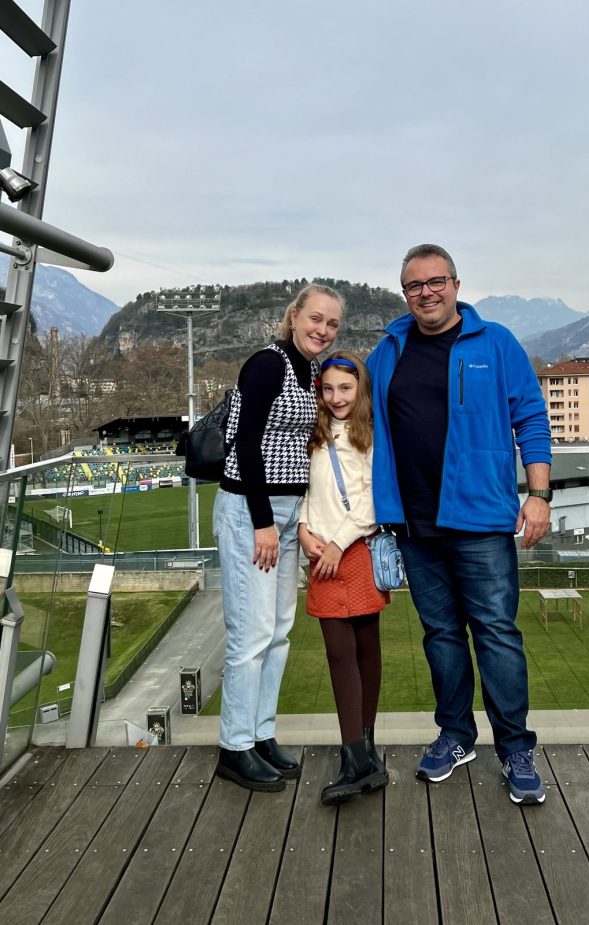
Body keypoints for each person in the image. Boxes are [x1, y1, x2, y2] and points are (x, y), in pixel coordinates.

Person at [366, 244, 552, 805]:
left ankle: (515, 747)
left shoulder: (496, 342)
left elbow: (531, 417)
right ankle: (456, 735)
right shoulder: (387, 350)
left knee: (496, 632)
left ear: (455, 284)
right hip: (414, 523)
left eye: (436, 281)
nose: (426, 292)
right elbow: (347, 409)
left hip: (481, 521)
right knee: (441, 635)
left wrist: (538, 494)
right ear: (405, 293)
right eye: (414, 285)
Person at [214, 283, 344, 791]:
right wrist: (262, 520)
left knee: (277, 631)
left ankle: (260, 734)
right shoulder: (268, 364)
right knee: (250, 633)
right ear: (294, 317)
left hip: (287, 514)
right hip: (253, 511)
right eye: (315, 319)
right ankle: (234, 746)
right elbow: (246, 443)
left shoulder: (310, 370)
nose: (322, 330)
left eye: (332, 324)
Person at [299, 351, 390, 805]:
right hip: (322, 554)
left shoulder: (370, 435)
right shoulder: (314, 434)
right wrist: (303, 528)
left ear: (361, 390)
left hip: (354, 551)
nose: (336, 397)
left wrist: (339, 542)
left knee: (362, 649)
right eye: (329, 388)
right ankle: (360, 756)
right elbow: (307, 491)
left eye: (346, 388)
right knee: (341, 653)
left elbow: (375, 498)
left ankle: (360, 754)